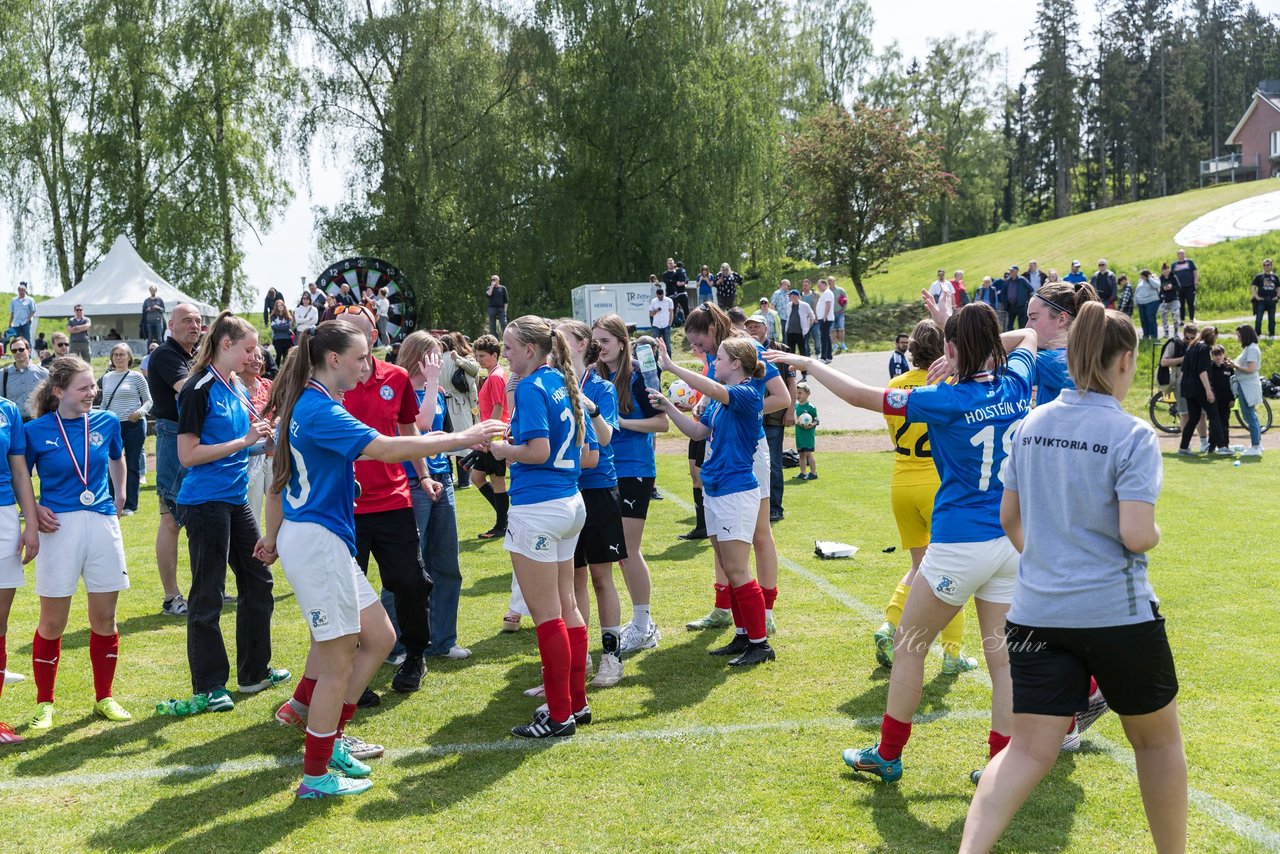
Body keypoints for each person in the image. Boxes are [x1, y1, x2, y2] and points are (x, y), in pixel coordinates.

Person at [766, 300, 1036, 783]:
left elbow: (858, 396)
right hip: (1009, 542)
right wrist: (980, 349)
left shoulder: (944, 397)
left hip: (958, 543)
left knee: (910, 646)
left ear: (951, 348)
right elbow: (1029, 339)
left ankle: (888, 754)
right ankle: (1001, 764)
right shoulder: (1016, 382)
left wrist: (810, 364)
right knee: (1002, 660)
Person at [961, 303, 1184, 854]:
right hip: (1118, 614)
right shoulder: (1132, 434)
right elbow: (1136, 534)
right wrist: (1153, 535)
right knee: (1156, 744)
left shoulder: (1031, 423)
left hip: (1037, 612)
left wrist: (1046, 561)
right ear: (1126, 360)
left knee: (1025, 751)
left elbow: (1010, 519)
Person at [256, 320, 502, 798]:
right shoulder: (318, 407)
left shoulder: (313, 402)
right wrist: (461, 437)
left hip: (322, 539)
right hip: (317, 542)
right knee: (336, 663)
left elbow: (282, 480)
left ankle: (332, 743)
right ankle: (315, 776)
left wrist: (273, 534)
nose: (367, 365)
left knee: (379, 637)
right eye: (361, 356)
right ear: (333, 361)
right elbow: (387, 448)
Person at [172, 312, 284, 712]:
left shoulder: (234, 385)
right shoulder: (198, 387)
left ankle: (253, 672)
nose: (255, 356)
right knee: (209, 593)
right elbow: (188, 455)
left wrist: (260, 444)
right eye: (248, 348)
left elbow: (240, 443)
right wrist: (244, 441)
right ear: (225, 345)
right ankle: (209, 685)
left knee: (259, 580)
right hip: (205, 502)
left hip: (234, 498)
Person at [487, 316, 590, 737]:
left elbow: (538, 450)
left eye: (509, 347)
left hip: (540, 506)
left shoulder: (532, 386)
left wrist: (500, 449)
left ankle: (560, 714)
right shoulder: (560, 380)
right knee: (567, 605)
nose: (504, 354)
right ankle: (575, 704)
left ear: (530, 350)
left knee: (548, 614)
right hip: (569, 501)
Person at [332, 305, 438, 697]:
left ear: (374, 337)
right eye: (347, 333)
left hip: (393, 501)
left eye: (362, 333)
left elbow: (409, 430)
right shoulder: (329, 387)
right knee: (347, 592)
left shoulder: (395, 377)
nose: (357, 341)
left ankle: (414, 655)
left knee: (410, 582)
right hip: (345, 508)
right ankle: (348, 669)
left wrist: (423, 475)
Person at [651, 335, 776, 667]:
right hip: (716, 488)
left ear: (736, 364)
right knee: (729, 567)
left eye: (718, 359)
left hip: (736, 490)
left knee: (737, 569)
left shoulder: (748, 393)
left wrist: (672, 366)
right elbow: (697, 433)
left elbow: (714, 390)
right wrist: (666, 405)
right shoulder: (721, 402)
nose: (713, 363)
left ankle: (761, 644)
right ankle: (742, 634)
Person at [23, 356, 132, 730]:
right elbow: (18, 478)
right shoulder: (36, 430)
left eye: (93, 386)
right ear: (59, 392)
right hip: (58, 529)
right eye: (84, 388)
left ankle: (104, 697)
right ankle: (44, 703)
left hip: (101, 524)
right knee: (53, 621)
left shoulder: (107, 421)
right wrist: (33, 507)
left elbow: (119, 459)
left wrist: (119, 495)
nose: (93, 393)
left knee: (105, 618)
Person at [872, 319, 978, 675]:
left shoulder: (895, 384)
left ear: (912, 348)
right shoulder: (950, 384)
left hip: (902, 482)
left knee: (921, 567)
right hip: (938, 484)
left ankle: (889, 624)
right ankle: (952, 654)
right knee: (953, 573)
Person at [682, 302, 788, 635]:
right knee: (722, 532)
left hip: (749, 451)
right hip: (719, 447)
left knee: (758, 533)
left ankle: (766, 610)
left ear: (712, 330)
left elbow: (782, 396)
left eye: (699, 343)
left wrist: (745, 411)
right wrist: (706, 405)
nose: (698, 351)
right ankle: (723, 606)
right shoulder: (719, 359)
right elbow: (717, 395)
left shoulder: (746, 349)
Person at [557, 318, 627, 687]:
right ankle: (579, 658)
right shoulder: (552, 385)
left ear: (582, 345)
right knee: (573, 581)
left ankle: (611, 657)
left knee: (601, 577)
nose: (556, 344)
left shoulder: (600, 387)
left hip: (598, 489)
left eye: (562, 339)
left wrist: (591, 407)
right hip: (565, 491)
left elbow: (606, 440)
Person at [591, 314, 667, 651]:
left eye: (605, 341)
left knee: (627, 551)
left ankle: (643, 625)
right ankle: (640, 623)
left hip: (635, 469)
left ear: (622, 341)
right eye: (596, 342)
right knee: (617, 552)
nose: (600, 348)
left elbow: (662, 423)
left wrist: (617, 422)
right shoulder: (595, 375)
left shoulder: (639, 374)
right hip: (607, 471)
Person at [393, 332, 469, 661]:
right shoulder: (403, 389)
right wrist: (435, 380)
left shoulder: (434, 389)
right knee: (408, 567)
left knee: (446, 563)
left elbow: (438, 432)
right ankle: (396, 644)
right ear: (419, 357)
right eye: (435, 356)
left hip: (441, 478)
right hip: (412, 483)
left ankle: (443, 640)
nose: (439, 362)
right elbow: (421, 425)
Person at [147, 303, 204, 617]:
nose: (193, 326)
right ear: (170, 325)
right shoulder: (167, 355)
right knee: (171, 519)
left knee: (202, 515)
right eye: (186, 321)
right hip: (173, 437)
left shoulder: (194, 355)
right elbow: (189, 391)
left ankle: (208, 590)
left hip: (193, 436)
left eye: (197, 321)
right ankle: (172, 598)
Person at [0, 387, 39, 743]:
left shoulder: (8, 410)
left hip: (3, 518)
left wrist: (30, 522)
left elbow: (20, 472)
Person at [746, 313, 794, 522]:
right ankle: (757, 505)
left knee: (773, 462)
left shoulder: (780, 350)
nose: (753, 329)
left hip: (774, 416)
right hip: (752, 417)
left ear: (766, 327)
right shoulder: (745, 350)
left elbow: (791, 382)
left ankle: (775, 507)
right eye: (749, 326)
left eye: (757, 325)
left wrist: (790, 410)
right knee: (753, 461)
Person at [95, 343, 151, 516]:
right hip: (113, 425)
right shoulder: (107, 377)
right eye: (116, 355)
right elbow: (104, 402)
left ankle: (130, 505)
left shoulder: (136, 377)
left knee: (132, 463)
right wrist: (101, 418)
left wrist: (139, 413)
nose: (119, 358)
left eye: (122, 354)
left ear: (129, 357)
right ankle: (112, 499)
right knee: (112, 463)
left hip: (133, 424)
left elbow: (149, 400)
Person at [470, 335, 511, 542]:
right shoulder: (495, 374)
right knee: (477, 477)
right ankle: (506, 519)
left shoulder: (495, 376)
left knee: (498, 483)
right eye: (477, 355)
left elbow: (499, 406)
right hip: (491, 435)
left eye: (483, 356)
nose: (479, 359)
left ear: (495, 355)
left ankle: (502, 524)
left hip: (494, 437)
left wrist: (488, 436)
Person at [1178, 325, 1227, 455]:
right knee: (1214, 414)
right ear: (1212, 336)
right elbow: (1202, 371)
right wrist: (1208, 390)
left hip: (1187, 387)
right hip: (1199, 387)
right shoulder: (1205, 349)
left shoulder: (1191, 347)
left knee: (1193, 418)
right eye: (1216, 336)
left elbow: (1184, 369)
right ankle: (1222, 447)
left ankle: (1183, 448)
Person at [441, 332, 480, 488]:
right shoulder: (456, 359)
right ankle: (464, 480)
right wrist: (474, 408)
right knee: (463, 441)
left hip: (442, 403)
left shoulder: (437, 360)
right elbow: (472, 384)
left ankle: (448, 478)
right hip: (460, 403)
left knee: (443, 442)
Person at [242, 346, 273, 527]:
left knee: (281, 509)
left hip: (273, 454)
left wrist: (274, 422)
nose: (257, 360)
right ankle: (251, 554)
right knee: (251, 512)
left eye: (260, 357)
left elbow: (282, 411)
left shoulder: (268, 385)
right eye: (252, 356)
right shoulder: (234, 389)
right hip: (250, 454)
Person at [1228, 325, 1264, 456]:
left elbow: (1251, 368)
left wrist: (1234, 365)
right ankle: (1257, 443)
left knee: (1249, 415)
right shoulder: (1249, 348)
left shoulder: (1252, 349)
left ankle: (1255, 446)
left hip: (1248, 386)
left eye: (1239, 336)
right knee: (1250, 415)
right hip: (1244, 385)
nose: (1238, 338)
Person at [0, 338, 48, 420]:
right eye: (14, 351)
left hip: (37, 420)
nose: (18, 352)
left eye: (21, 349)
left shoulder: (43, 373)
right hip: (13, 422)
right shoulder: (3, 374)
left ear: (29, 350)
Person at [1208, 345, 1234, 445]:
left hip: (1226, 401)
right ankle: (1211, 445)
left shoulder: (1228, 368)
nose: (1218, 357)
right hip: (1214, 400)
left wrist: (1232, 399)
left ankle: (1225, 444)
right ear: (1212, 356)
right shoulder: (1210, 367)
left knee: (1225, 423)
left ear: (1223, 354)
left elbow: (1232, 385)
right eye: (1215, 355)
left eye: (1220, 354)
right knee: (1213, 423)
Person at [794, 382, 818, 480]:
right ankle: (803, 473)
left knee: (808, 454)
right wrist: (797, 422)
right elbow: (795, 419)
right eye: (796, 393)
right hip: (799, 434)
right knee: (801, 454)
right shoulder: (796, 407)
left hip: (808, 435)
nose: (797, 395)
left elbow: (816, 420)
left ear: (807, 394)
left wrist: (811, 425)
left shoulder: (811, 407)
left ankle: (813, 473)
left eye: (800, 393)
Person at [1251, 258, 1278, 339]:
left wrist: (1277, 296)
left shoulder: (1275, 277)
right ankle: (1257, 335)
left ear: (1271, 266)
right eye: (1264, 265)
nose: (1266, 266)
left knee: (1272, 319)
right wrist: (1256, 297)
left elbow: (1279, 287)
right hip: (1261, 301)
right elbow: (1253, 287)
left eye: (1268, 265)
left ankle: (1271, 335)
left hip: (1271, 301)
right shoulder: (1259, 276)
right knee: (1258, 319)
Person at [783, 289, 815, 355]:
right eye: (790, 296)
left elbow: (812, 317)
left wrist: (808, 327)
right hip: (790, 332)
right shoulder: (789, 305)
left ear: (796, 296)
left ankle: (803, 364)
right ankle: (792, 364)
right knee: (791, 351)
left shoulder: (805, 305)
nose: (790, 298)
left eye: (792, 296)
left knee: (802, 350)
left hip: (800, 332)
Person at [1170, 249, 1198, 322]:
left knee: (1190, 303)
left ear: (1184, 254)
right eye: (1179, 254)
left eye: (1182, 254)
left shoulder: (1190, 262)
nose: (1181, 255)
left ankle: (1191, 319)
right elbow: (1171, 276)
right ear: (1177, 255)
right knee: (1181, 304)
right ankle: (1182, 320)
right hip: (1179, 288)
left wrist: (1195, 282)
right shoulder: (1174, 265)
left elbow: (1195, 272)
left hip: (1189, 286)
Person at [1135, 269, 1161, 341]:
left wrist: (1149, 278)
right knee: (1143, 319)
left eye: (1143, 275)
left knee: (1150, 318)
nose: (1142, 277)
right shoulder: (1140, 281)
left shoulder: (1154, 279)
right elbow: (1137, 292)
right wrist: (1135, 301)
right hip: (1141, 303)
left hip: (1152, 301)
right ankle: (1146, 335)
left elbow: (1157, 286)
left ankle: (1153, 336)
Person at [1158, 263, 1181, 339]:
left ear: (1169, 270)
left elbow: (1178, 287)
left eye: (1167, 270)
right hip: (1164, 300)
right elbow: (1158, 288)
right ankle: (1166, 332)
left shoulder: (1173, 277)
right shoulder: (1160, 278)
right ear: (1162, 271)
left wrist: (1171, 287)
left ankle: (1176, 332)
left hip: (1174, 299)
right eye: (1164, 270)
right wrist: (1163, 289)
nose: (1166, 271)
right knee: (1164, 316)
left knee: (1176, 315)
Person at [662, 258, 689, 323]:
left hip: (681, 293)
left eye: (672, 263)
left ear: (674, 264)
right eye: (669, 263)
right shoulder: (665, 274)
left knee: (686, 309)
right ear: (667, 264)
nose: (671, 264)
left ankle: (688, 324)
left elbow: (686, 278)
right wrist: (676, 282)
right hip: (671, 294)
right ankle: (671, 325)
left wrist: (684, 282)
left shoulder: (679, 271)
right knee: (672, 310)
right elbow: (667, 281)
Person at [815, 278, 835, 362]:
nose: (819, 287)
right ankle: (829, 356)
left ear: (824, 284)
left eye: (820, 285)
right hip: (824, 318)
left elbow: (828, 305)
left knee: (824, 337)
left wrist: (825, 316)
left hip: (825, 318)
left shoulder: (827, 293)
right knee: (826, 337)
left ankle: (823, 357)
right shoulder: (825, 293)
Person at [649, 288, 674, 355]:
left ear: (663, 294)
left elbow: (671, 313)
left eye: (662, 296)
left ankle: (669, 363)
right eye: (659, 297)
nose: (660, 298)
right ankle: (656, 363)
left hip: (666, 325)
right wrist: (656, 310)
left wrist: (670, 324)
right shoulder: (653, 301)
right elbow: (650, 314)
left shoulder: (669, 301)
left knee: (667, 345)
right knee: (655, 345)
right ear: (657, 295)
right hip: (656, 326)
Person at [270, 299, 294, 363]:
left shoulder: (288, 317)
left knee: (286, 357)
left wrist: (278, 326)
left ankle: (285, 371)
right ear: (276, 307)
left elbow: (287, 326)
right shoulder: (273, 317)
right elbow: (273, 327)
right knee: (278, 355)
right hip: (277, 339)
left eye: (281, 305)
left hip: (287, 338)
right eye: (278, 305)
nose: (280, 306)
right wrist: (283, 326)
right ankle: (276, 371)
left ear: (284, 306)